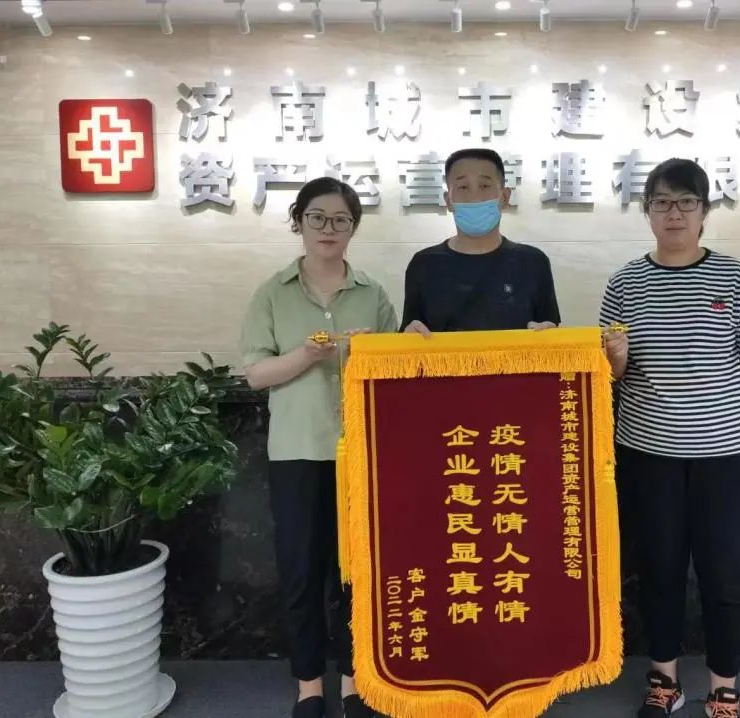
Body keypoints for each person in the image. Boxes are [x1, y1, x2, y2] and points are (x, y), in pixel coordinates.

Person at [600, 159, 740, 718]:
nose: (673, 213)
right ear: (646, 211)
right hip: (647, 455)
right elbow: (612, 375)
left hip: (726, 457)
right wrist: (614, 358)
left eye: (685, 202)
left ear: (704, 211)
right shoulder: (625, 282)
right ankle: (665, 679)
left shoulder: (734, 278)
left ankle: (724, 684)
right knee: (658, 571)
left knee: (725, 575)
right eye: (661, 202)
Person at [240, 177, 397, 718]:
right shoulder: (273, 293)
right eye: (318, 217)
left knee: (359, 572)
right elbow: (256, 373)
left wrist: (384, 351)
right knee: (302, 571)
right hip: (298, 453)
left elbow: (393, 371)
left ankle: (355, 680)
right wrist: (305, 357)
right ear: (299, 222)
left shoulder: (373, 294)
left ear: (353, 228)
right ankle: (309, 684)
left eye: (341, 220)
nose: (329, 229)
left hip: (362, 454)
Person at [401, 148, 561, 335]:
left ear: (504, 197)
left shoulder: (532, 262)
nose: (474, 197)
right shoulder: (424, 264)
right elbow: (409, 337)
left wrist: (552, 334)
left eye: (484, 186)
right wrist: (407, 337)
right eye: (463, 187)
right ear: (448, 200)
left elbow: (551, 334)